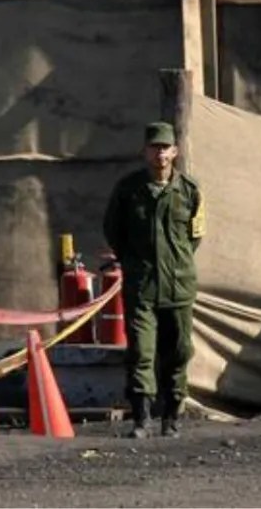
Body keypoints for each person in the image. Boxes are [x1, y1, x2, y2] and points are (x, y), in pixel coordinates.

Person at [102, 121, 205, 438]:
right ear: (144, 151)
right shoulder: (128, 190)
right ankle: (142, 418)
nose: (160, 153)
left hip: (179, 285)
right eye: (154, 147)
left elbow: (195, 236)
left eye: (165, 147)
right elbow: (113, 231)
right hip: (142, 286)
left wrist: (177, 263)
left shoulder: (189, 191)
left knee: (178, 352)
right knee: (141, 352)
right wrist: (134, 263)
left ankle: (172, 416)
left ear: (175, 151)